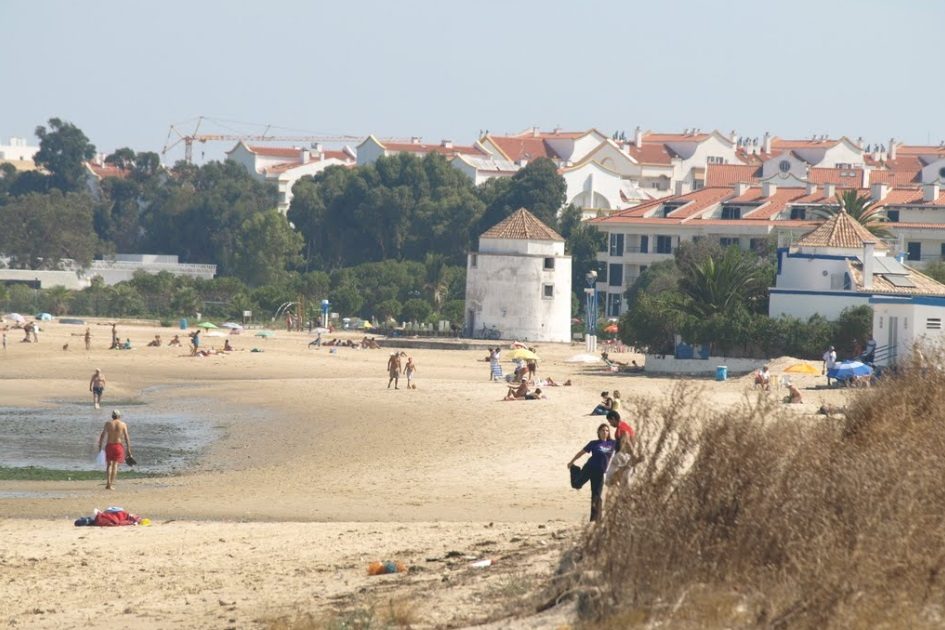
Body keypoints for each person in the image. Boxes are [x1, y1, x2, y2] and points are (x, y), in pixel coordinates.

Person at [568, 424, 616, 522]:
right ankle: (575, 469)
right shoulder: (594, 443)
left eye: (607, 430)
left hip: (600, 472)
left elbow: (624, 444)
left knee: (596, 495)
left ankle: (595, 519)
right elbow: (581, 452)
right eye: (602, 430)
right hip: (589, 468)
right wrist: (572, 461)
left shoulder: (612, 443)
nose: (604, 432)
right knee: (576, 485)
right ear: (598, 432)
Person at [97, 410, 132, 491]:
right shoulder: (123, 424)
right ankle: (111, 484)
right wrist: (129, 449)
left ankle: (108, 483)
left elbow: (102, 435)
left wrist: (100, 446)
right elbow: (127, 437)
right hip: (118, 446)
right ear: (119, 416)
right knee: (115, 465)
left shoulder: (108, 424)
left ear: (112, 416)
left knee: (109, 465)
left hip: (109, 446)